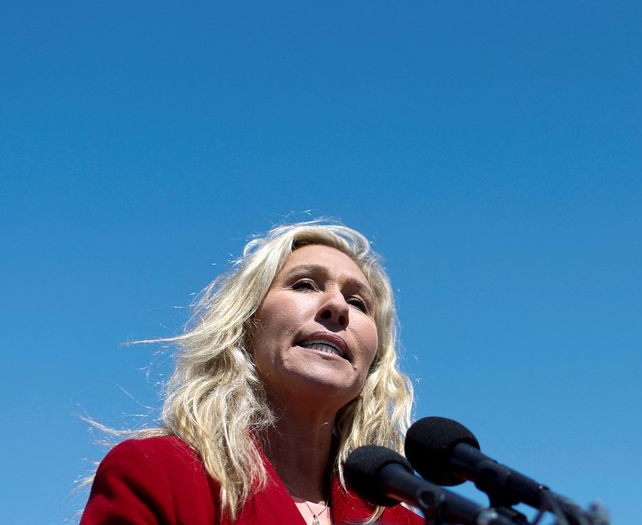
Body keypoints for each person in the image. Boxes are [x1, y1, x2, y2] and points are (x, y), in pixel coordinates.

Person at [81, 222, 421, 524]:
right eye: (304, 285)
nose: (338, 308)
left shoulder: (403, 520)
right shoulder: (158, 472)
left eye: (359, 303)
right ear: (246, 323)